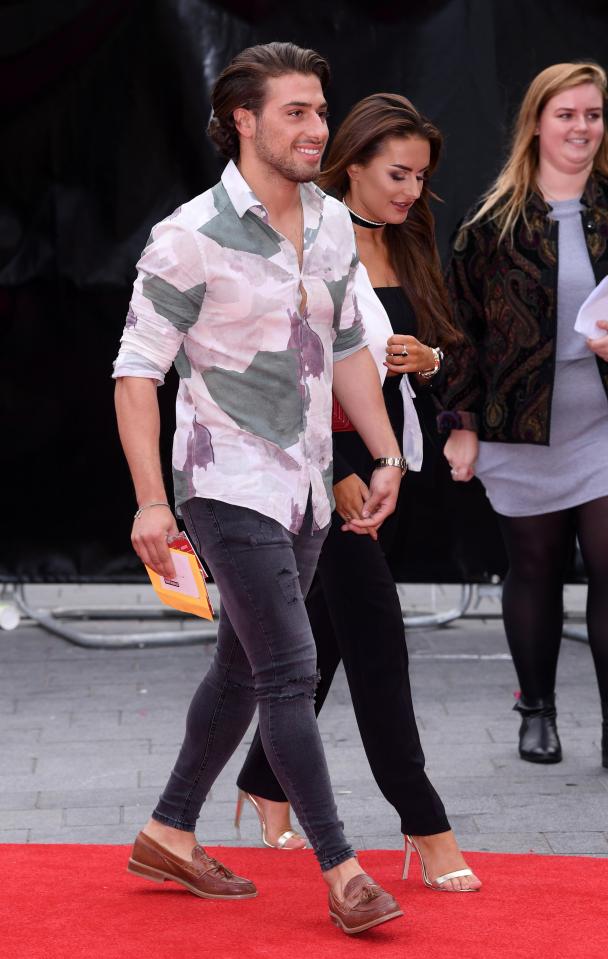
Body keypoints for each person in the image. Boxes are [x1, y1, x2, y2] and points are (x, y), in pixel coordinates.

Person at [113, 42, 407, 936]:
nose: (317, 128)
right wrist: (151, 501)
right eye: (295, 112)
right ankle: (344, 870)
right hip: (222, 478)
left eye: (321, 110)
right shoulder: (187, 236)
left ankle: (168, 828)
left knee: (242, 668)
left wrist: (388, 458)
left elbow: (351, 347)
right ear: (242, 119)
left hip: (308, 485)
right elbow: (136, 375)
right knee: (289, 669)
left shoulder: (329, 226)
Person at [234, 93, 481, 892]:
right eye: (396, 174)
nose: (410, 190)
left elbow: (445, 346)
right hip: (320, 470)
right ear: (352, 166)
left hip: (389, 467)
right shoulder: (306, 236)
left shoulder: (409, 241)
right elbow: (284, 364)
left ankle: (264, 782)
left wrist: (428, 362)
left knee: (327, 632)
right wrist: (333, 466)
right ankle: (425, 820)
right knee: (374, 636)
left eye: (419, 177)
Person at [439, 62, 608, 768]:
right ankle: (535, 709)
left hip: (601, 423)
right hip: (518, 425)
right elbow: (459, 334)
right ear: (535, 123)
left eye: (592, 114)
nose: (580, 127)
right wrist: (461, 424)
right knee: (534, 568)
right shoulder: (488, 226)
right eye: (565, 113)